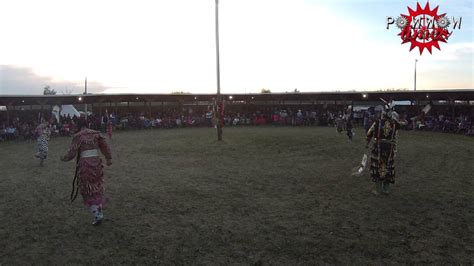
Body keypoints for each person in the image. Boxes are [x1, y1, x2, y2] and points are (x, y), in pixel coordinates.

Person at [60, 118, 112, 225]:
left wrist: (64, 158)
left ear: (78, 125)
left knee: (88, 190)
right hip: (97, 165)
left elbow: (71, 153)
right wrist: (108, 158)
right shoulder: (96, 134)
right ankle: (99, 212)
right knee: (96, 188)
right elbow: (105, 147)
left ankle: (97, 215)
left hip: (85, 166)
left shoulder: (78, 137)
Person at [366, 102, 400, 195]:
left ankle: (378, 190)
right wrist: (395, 148)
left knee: (377, 165)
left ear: (383, 113)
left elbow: (369, 133)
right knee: (388, 166)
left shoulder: (377, 122)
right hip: (390, 148)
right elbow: (395, 137)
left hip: (378, 147)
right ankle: (386, 189)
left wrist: (367, 142)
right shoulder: (395, 124)